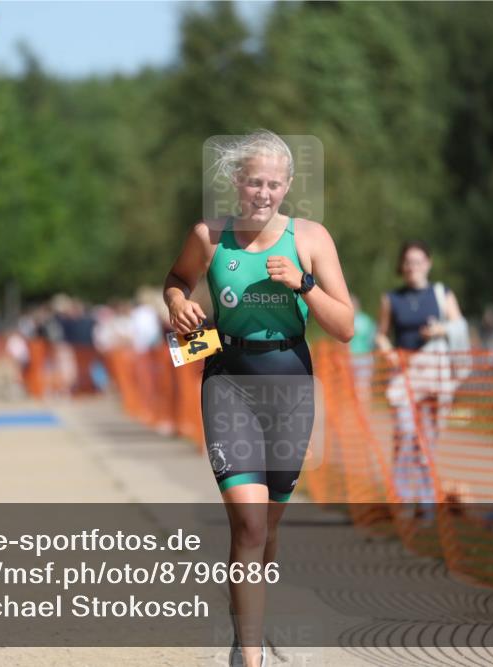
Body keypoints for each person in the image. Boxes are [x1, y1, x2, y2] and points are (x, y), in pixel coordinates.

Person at [164, 130, 353, 667]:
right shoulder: (209, 235)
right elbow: (176, 279)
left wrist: (304, 284)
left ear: (288, 185)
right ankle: (250, 655)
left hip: (290, 384)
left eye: (273, 184)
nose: (263, 193)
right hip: (227, 379)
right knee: (246, 523)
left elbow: (343, 326)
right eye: (254, 183)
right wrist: (178, 302)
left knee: (268, 526)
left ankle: (253, 621)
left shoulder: (311, 238)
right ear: (235, 183)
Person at [374, 241, 466, 521]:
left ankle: (426, 504)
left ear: (428, 263)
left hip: (434, 374)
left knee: (425, 442)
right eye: (408, 262)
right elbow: (381, 334)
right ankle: (401, 498)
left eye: (418, 261)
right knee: (405, 434)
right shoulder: (391, 298)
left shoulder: (441, 294)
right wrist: (388, 353)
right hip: (405, 375)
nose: (413, 267)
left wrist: (441, 329)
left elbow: (459, 324)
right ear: (401, 266)